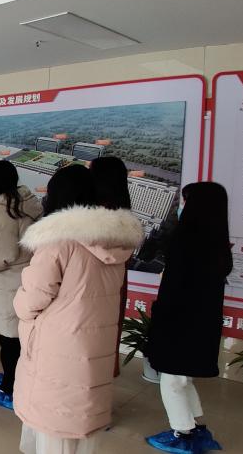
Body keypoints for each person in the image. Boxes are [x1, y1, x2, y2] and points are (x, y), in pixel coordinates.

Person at [13, 164, 143, 454]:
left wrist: (20, 306)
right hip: (93, 344)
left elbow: (34, 297)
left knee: (54, 422)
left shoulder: (58, 241)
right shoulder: (115, 240)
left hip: (58, 346)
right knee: (82, 416)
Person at [144, 183, 231, 454]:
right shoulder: (216, 242)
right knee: (183, 378)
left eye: (185, 201)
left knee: (172, 380)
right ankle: (195, 426)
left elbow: (173, 286)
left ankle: (183, 433)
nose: (182, 206)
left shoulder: (186, 241)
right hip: (200, 323)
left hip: (178, 321)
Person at [0, 160, 42, 410]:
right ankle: (16, 376)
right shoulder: (26, 201)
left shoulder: (2, 210)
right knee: (22, 334)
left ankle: (9, 387)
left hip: (9, 281)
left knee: (10, 337)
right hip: (28, 275)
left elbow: (1, 254)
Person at [90, 156, 133, 379]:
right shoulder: (126, 218)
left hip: (89, 285)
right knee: (108, 330)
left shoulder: (88, 221)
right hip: (115, 284)